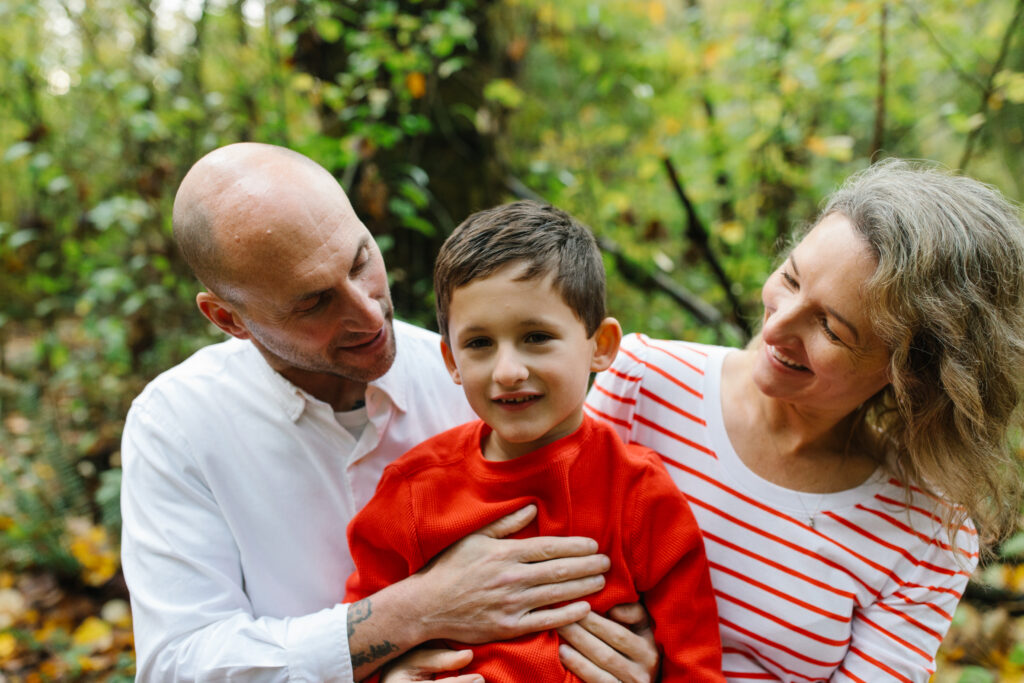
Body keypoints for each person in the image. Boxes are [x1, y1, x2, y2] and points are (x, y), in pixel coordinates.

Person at [119, 142, 658, 682]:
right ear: (228, 319)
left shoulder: (481, 379)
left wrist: (637, 650)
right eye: (314, 302)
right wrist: (415, 612)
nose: (369, 311)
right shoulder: (178, 425)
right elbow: (177, 666)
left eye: (360, 262)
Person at [585, 159, 1024, 682]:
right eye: (791, 279)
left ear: (914, 372)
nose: (775, 330)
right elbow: (524, 536)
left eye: (831, 329)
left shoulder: (927, 531)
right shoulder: (642, 383)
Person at [344, 201, 724, 681]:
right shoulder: (415, 491)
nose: (508, 371)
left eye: (537, 336)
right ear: (452, 361)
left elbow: (695, 663)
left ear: (601, 346)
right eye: (479, 344)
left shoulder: (638, 493)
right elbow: (360, 643)